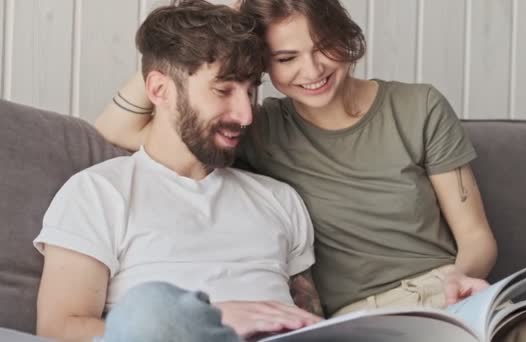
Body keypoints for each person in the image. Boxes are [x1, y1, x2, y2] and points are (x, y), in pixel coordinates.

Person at [95, 0, 526, 341]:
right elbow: (117, 126)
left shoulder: (418, 106)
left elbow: (476, 237)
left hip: (450, 288)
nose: (312, 70)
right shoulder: (258, 127)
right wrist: (201, 26)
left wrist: (461, 281)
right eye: (286, 59)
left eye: (323, 46)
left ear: (344, 38)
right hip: (365, 317)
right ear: (264, 66)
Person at [33, 2, 323, 342]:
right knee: (152, 307)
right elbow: (58, 329)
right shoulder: (97, 193)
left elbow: (314, 320)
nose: (245, 115)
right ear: (160, 90)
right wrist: (210, 319)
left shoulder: (279, 198)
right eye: (223, 90)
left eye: (250, 91)